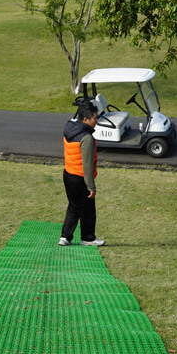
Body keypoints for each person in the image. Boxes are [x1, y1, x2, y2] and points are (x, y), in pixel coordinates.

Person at [59, 101, 105, 246]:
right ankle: (88, 238)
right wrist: (91, 186)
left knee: (74, 206)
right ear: (85, 119)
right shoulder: (87, 138)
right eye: (95, 118)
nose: (97, 121)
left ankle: (65, 237)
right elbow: (87, 165)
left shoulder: (69, 129)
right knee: (88, 209)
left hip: (68, 174)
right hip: (80, 178)